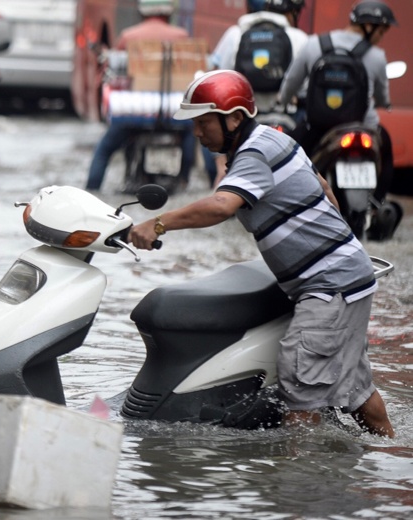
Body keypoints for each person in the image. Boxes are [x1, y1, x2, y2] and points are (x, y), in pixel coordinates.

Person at [127, 70, 395, 438]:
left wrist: (157, 224)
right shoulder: (274, 139)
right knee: (355, 389)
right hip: (347, 275)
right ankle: (387, 454)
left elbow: (221, 206)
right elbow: (325, 191)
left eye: (204, 122)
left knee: (299, 387)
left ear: (235, 118)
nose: (197, 132)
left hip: (329, 285)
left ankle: (299, 471)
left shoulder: (254, 152)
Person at [277, 0, 396, 203]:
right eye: (381, 31)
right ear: (369, 26)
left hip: (318, 127)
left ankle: (291, 202)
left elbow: (290, 83)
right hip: (363, 126)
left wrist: (283, 101)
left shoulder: (313, 44)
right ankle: (377, 203)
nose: (381, 37)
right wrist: (385, 104)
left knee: (289, 155)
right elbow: (383, 97)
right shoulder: (376, 56)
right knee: (385, 152)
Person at [84, 0, 197, 192]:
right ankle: (187, 180)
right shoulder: (182, 36)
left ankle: (90, 191)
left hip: (134, 112)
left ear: (142, 11)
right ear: (169, 12)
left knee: (103, 150)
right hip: (174, 113)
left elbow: (114, 71)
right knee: (192, 135)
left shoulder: (128, 36)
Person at [205, 0, 308, 187]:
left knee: (207, 125)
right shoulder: (298, 37)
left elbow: (217, 77)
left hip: (246, 117)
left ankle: (219, 175)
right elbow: (306, 84)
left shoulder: (235, 34)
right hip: (287, 114)